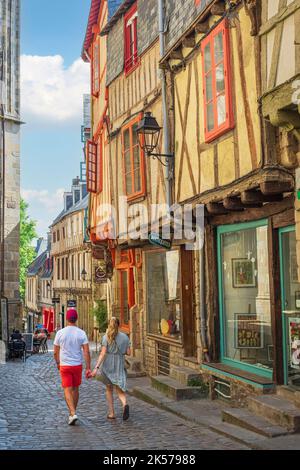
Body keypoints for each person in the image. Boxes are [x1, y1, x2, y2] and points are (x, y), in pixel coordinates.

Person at [54, 309, 91, 425]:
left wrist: (58, 362)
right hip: (77, 365)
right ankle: (72, 413)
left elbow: (55, 351)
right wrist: (88, 367)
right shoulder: (81, 333)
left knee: (67, 389)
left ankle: (73, 412)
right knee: (75, 389)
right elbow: (86, 352)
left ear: (67, 319)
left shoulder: (60, 333)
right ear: (77, 319)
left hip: (65, 365)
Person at [91, 317, 131, 421]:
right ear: (119, 325)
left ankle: (112, 413)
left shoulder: (106, 337)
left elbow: (103, 354)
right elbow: (129, 352)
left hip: (108, 365)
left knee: (109, 389)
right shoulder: (125, 337)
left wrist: (96, 367)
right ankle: (125, 404)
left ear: (109, 325)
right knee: (120, 389)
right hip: (119, 364)